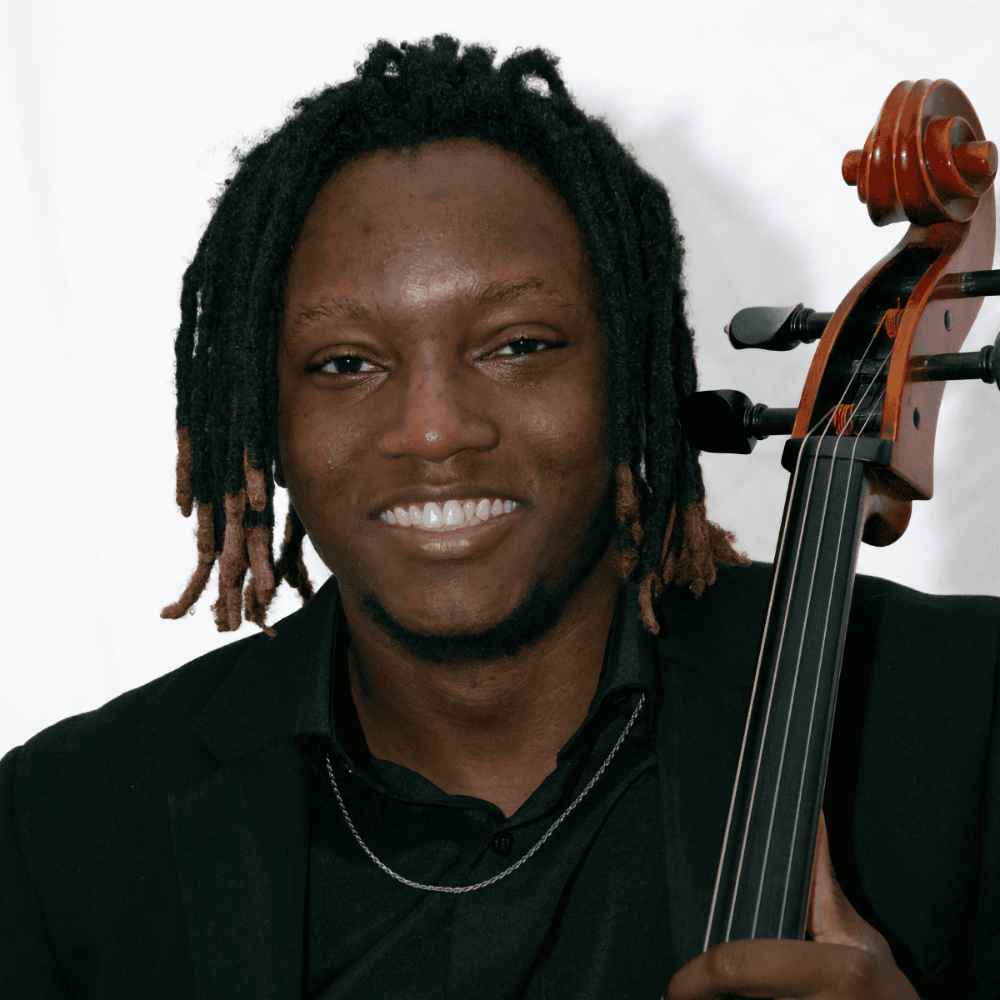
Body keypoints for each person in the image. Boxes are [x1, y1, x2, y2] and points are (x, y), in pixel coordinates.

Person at [1, 36, 997, 999]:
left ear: (631, 382)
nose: (435, 431)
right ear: (265, 422)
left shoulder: (964, 717)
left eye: (517, 345)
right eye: (346, 363)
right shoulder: (62, 833)